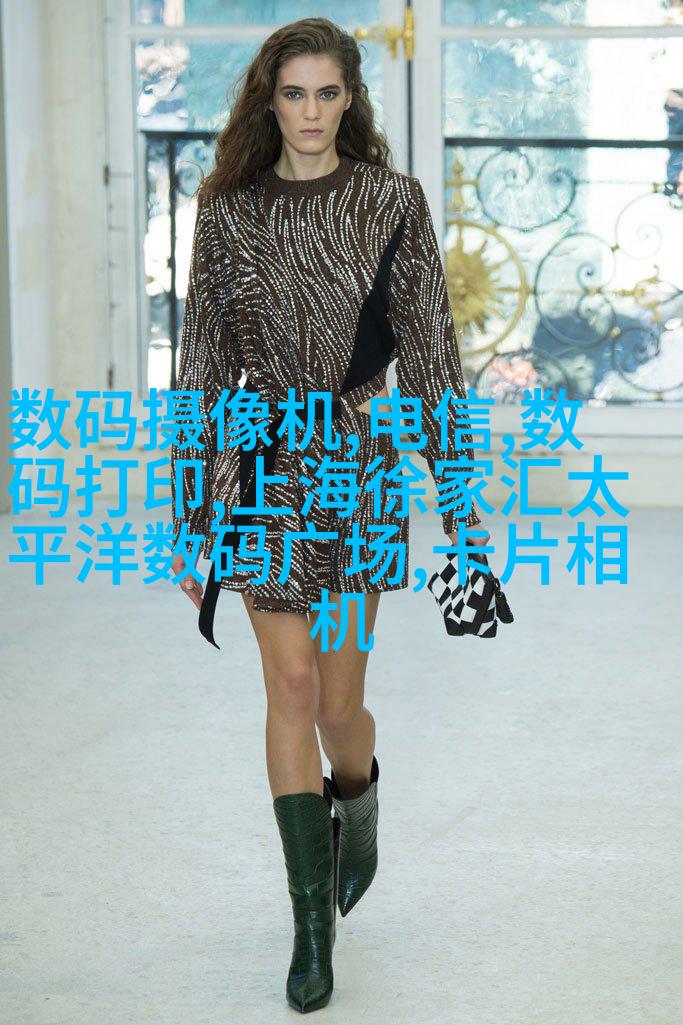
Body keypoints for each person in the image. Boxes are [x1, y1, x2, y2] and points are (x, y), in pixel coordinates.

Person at [169, 17, 490, 1014]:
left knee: (340, 710)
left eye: (325, 93)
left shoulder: (391, 201)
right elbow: (200, 360)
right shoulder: (227, 213)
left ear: (349, 98)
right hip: (261, 467)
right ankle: (311, 924)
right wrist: (189, 509)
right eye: (291, 94)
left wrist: (458, 501)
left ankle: (361, 798)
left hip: (358, 471)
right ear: (267, 101)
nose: (308, 112)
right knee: (292, 686)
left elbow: (430, 352)